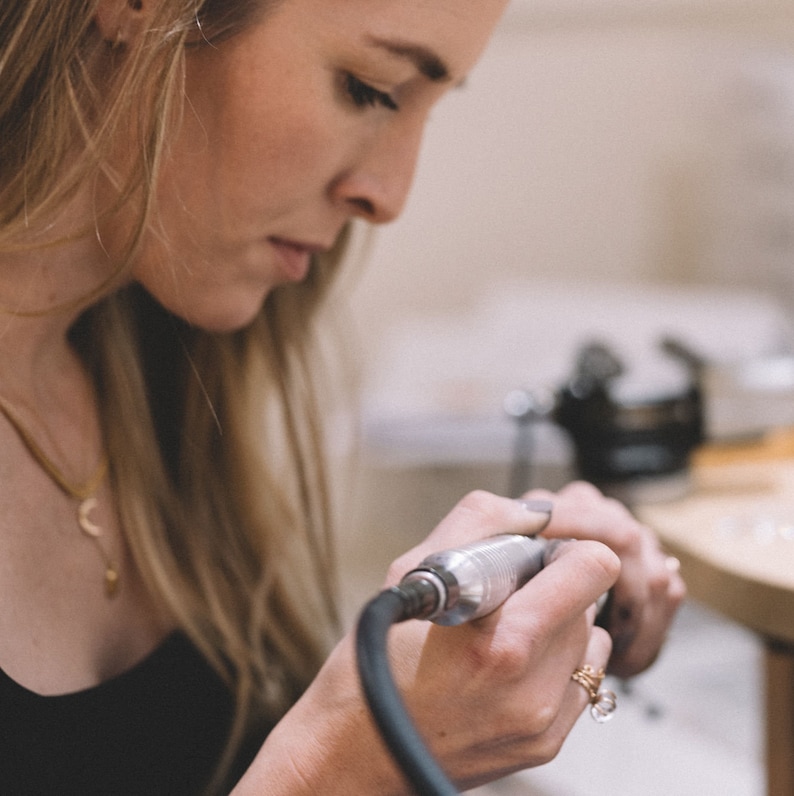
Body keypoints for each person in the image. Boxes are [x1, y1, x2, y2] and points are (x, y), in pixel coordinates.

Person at [0, 0, 685, 793]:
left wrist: (513, 609)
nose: (389, 197)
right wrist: (346, 764)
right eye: (371, 88)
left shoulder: (147, 366)